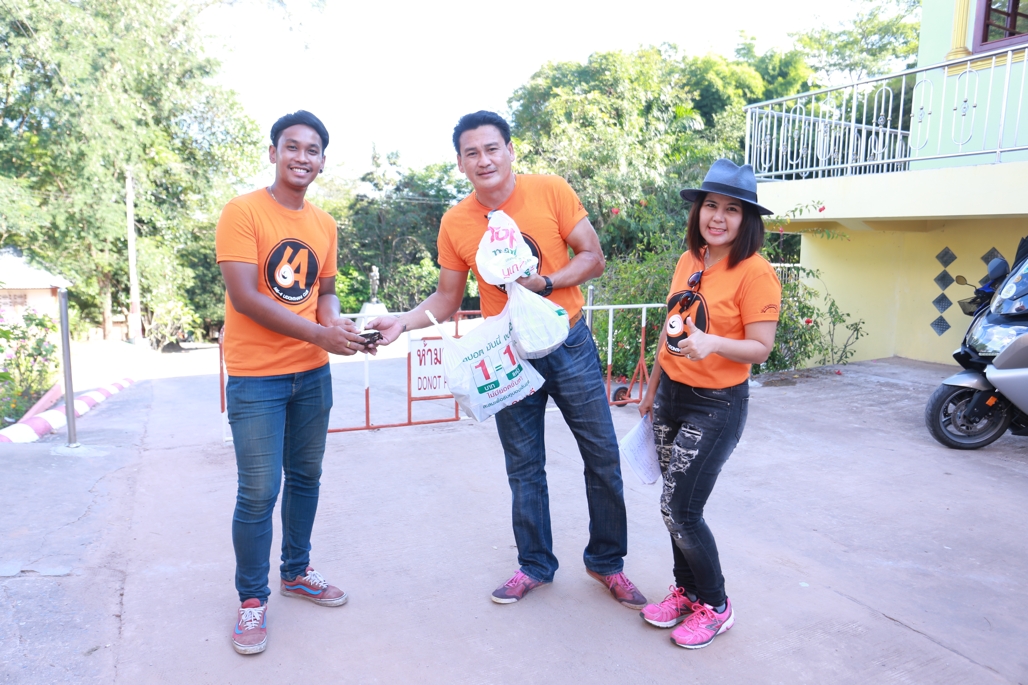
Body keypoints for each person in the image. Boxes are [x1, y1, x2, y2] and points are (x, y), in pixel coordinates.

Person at [369, 111, 646, 609]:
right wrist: (402, 322)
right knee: (524, 466)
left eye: (492, 148)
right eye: (471, 153)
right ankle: (535, 565)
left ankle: (607, 563)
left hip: (568, 341)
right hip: (508, 354)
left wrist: (545, 283)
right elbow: (447, 297)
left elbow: (593, 257)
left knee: (602, 457)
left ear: (510, 150)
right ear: (460, 163)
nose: (484, 160)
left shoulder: (550, 191)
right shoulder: (455, 222)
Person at [216, 110, 372, 655]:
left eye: (312, 150)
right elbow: (246, 297)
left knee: (306, 477)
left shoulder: (324, 224)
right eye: (292, 146)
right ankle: (252, 599)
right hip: (256, 377)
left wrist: (336, 325)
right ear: (274, 153)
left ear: (322, 161)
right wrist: (320, 333)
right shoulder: (242, 212)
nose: (301, 157)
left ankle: (297, 571)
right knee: (258, 491)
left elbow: (324, 292)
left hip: (311, 373)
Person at [636, 159, 781, 649]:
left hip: (716, 406)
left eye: (732, 209)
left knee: (682, 509)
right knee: (671, 506)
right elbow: (672, 327)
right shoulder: (690, 260)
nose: (718, 217)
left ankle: (717, 606)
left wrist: (713, 343)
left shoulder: (756, 273)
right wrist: (652, 389)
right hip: (671, 396)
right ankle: (687, 592)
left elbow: (761, 348)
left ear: (747, 219)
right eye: (711, 205)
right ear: (698, 210)